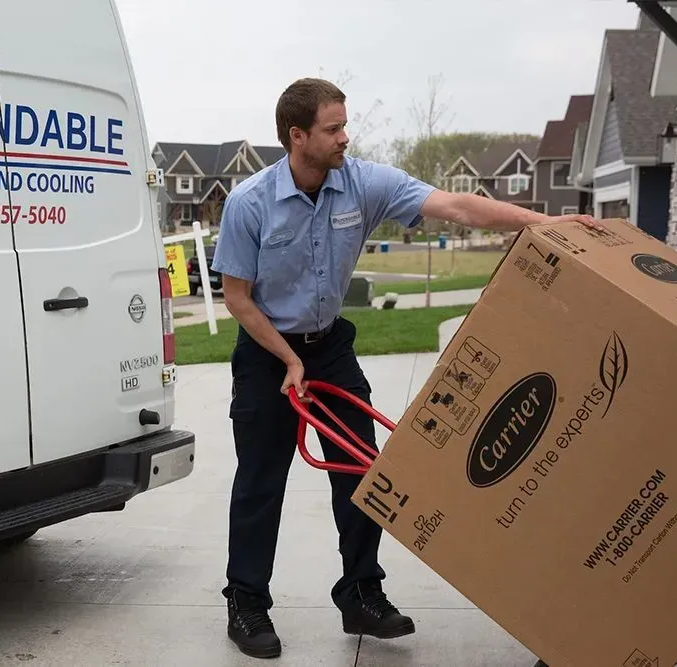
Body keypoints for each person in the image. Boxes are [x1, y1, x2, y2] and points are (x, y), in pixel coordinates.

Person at [211, 77, 602, 660]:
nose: (347, 136)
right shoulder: (250, 203)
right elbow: (237, 298)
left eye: (346, 124)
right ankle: (246, 603)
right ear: (297, 136)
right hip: (269, 354)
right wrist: (288, 359)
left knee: (363, 474)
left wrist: (541, 224)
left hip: (330, 349)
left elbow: (456, 205)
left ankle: (361, 591)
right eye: (333, 128)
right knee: (262, 481)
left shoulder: (363, 182)